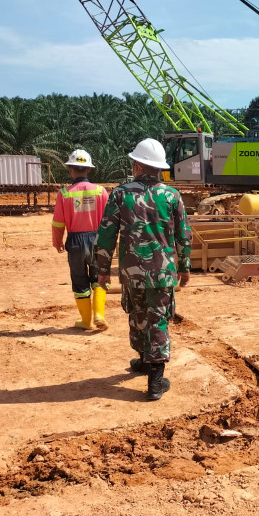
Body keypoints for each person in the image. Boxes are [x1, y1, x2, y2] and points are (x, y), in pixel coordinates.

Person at [94, 138, 191, 401]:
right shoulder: (172, 196)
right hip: (162, 272)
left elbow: (105, 236)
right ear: (159, 168)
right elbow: (183, 235)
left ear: (137, 165)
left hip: (131, 272)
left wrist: (102, 270)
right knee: (156, 318)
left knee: (137, 315)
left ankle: (151, 372)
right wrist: (185, 266)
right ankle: (154, 375)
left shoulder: (120, 194)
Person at [52, 149, 109, 330]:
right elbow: (109, 222)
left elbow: (58, 223)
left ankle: (86, 321)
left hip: (75, 241)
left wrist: (57, 241)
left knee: (79, 280)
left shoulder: (65, 194)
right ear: (89, 170)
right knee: (99, 277)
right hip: (97, 240)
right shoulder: (101, 192)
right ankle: (99, 314)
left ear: (70, 169)